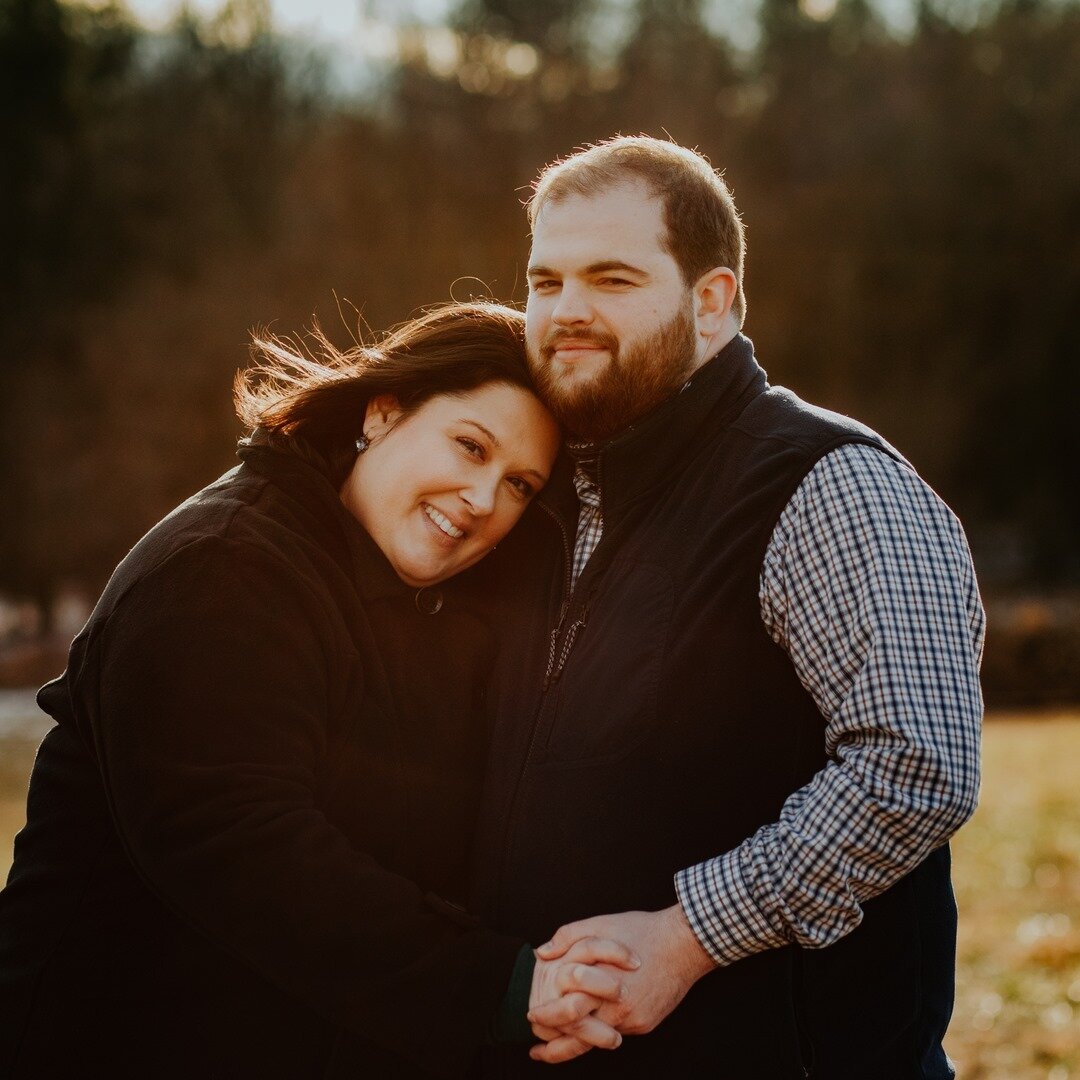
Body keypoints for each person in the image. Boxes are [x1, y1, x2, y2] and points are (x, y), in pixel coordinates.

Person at [0, 302, 633, 1079]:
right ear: (383, 411)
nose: (481, 499)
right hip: (110, 1042)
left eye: (519, 486)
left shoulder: (421, 604)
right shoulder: (223, 570)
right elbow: (243, 853)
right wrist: (499, 986)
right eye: (470, 446)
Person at [472, 138, 986, 1077]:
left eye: (613, 278)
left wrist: (685, 938)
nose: (567, 311)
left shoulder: (827, 484)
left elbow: (918, 765)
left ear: (710, 303)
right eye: (545, 281)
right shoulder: (539, 492)